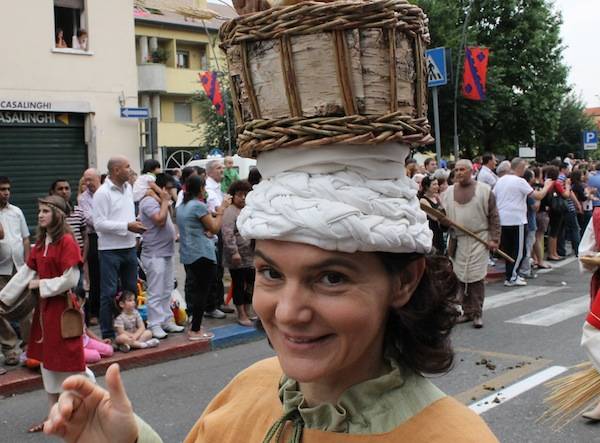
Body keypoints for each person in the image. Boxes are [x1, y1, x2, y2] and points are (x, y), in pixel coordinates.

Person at [43, 142, 498, 442]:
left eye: (331, 278)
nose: (288, 312)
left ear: (404, 280)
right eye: (272, 274)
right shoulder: (251, 386)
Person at [0, 195, 94, 433]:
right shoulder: (41, 244)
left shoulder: (66, 242)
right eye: (39, 211)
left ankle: (92, 406)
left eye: (45, 211)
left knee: (72, 362)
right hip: (45, 312)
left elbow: (71, 279)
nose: (40, 215)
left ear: (58, 215)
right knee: (48, 364)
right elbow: (24, 274)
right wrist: (3, 298)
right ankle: (53, 416)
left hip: (63, 310)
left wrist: (41, 285)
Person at [93, 156, 146, 340]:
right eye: (127, 166)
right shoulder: (102, 193)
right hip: (109, 250)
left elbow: (129, 215)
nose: (130, 170)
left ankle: (130, 330)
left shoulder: (128, 188)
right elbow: (98, 224)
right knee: (108, 294)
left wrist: (136, 233)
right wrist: (127, 226)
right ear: (116, 170)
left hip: (129, 247)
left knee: (131, 291)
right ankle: (108, 333)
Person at [443, 160, 500, 328]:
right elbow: (443, 217)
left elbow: (494, 216)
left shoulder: (484, 190)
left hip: (479, 239)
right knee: (461, 277)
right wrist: (443, 220)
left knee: (476, 278)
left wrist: (494, 239)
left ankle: (477, 313)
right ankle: (466, 311)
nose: (459, 173)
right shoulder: (448, 192)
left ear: (470, 171)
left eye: (462, 169)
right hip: (459, 240)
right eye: (456, 170)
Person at [176, 176, 231, 341]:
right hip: (202, 253)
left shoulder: (182, 206)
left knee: (194, 290)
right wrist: (221, 210)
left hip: (188, 253)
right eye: (204, 187)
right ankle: (196, 330)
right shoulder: (198, 206)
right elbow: (214, 228)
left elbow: (198, 225)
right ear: (199, 188)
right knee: (202, 292)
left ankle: (195, 323)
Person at [494, 158, 553, 286]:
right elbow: (538, 196)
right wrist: (547, 186)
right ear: (520, 168)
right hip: (517, 219)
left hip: (503, 219)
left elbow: (493, 197)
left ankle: (511, 274)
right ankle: (512, 277)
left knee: (508, 250)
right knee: (519, 250)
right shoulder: (520, 181)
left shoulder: (500, 181)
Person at [138, 173, 183, 339]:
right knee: (156, 291)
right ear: (163, 188)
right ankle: (154, 324)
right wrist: (164, 200)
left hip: (166, 252)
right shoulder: (148, 202)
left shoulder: (158, 200)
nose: (172, 192)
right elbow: (160, 220)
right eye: (170, 189)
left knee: (167, 289)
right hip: (154, 253)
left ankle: (166, 320)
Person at [0, 176, 32, 367]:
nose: (6, 193)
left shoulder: (16, 212)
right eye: (2, 189)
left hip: (19, 268)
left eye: (8, 189)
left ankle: (29, 346)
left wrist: (28, 263)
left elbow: (26, 238)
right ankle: (10, 348)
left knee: (27, 307)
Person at [222, 180, 255, 326]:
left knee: (251, 282)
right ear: (233, 196)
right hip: (237, 256)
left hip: (250, 254)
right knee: (239, 284)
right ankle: (241, 314)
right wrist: (234, 252)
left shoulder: (248, 209)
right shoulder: (230, 211)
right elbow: (228, 234)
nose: (242, 198)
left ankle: (248, 310)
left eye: (245, 194)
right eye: (240, 194)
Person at [205, 159, 234, 318]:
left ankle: (218, 302)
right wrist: (225, 204)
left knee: (220, 268)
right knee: (216, 270)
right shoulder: (209, 189)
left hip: (220, 228)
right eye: (218, 168)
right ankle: (215, 304)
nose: (222, 170)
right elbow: (218, 209)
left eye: (223, 167)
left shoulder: (217, 187)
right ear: (209, 172)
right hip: (215, 231)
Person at [78, 169, 102, 325]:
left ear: (98, 178)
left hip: (111, 237)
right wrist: (106, 222)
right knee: (94, 276)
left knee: (112, 276)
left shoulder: (108, 192)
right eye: (85, 180)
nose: (87, 183)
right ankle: (94, 311)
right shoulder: (83, 198)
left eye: (90, 180)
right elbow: (89, 218)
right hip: (94, 237)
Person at [545, 165, 569, 261]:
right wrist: (567, 186)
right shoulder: (557, 183)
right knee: (554, 232)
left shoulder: (547, 183)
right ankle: (553, 253)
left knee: (553, 231)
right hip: (558, 209)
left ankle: (553, 253)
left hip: (551, 208)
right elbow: (565, 195)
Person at [418, 176, 446, 255]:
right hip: (431, 230)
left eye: (437, 184)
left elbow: (445, 211)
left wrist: (439, 201)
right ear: (427, 187)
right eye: (434, 184)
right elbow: (434, 217)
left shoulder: (436, 197)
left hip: (439, 230)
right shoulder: (423, 200)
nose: (437, 186)